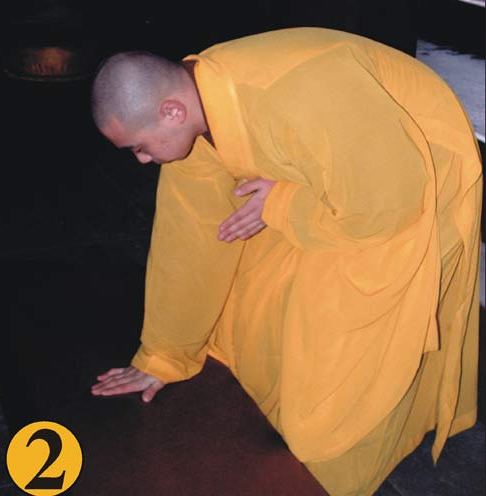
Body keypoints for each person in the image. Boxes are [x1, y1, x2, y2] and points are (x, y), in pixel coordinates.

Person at [89, 28, 482, 495]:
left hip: (414, 176)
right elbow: (190, 240)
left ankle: (324, 462)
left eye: (139, 146)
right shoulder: (196, 109)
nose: (141, 159)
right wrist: (165, 354)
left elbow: (389, 205)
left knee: (338, 340)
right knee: (252, 305)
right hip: (335, 176)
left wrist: (282, 204)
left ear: (171, 111)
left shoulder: (295, 91)